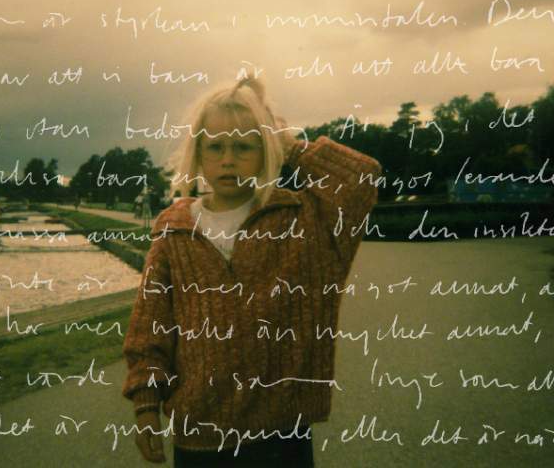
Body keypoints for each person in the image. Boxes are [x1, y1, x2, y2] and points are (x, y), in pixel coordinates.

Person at [121, 76, 382, 466]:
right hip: (199, 436)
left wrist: (289, 145)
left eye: (244, 146)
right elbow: (151, 325)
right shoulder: (173, 231)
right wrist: (146, 404)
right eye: (216, 146)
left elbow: (361, 178)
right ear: (198, 152)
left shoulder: (304, 220)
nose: (228, 159)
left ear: (266, 150)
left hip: (281, 436)